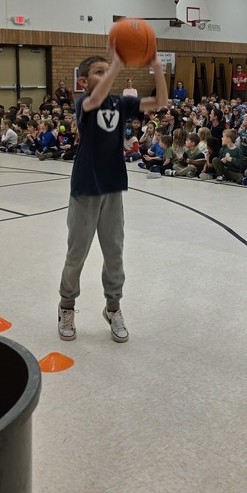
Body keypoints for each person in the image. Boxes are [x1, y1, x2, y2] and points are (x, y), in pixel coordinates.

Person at [57, 48, 167, 343]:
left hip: (113, 187)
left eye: (108, 71)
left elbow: (160, 101)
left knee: (114, 253)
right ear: (83, 81)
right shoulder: (84, 103)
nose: (107, 75)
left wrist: (157, 68)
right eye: (99, 72)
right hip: (85, 188)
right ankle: (66, 305)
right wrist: (117, 65)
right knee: (76, 254)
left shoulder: (121, 103)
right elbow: (95, 99)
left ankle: (113, 307)